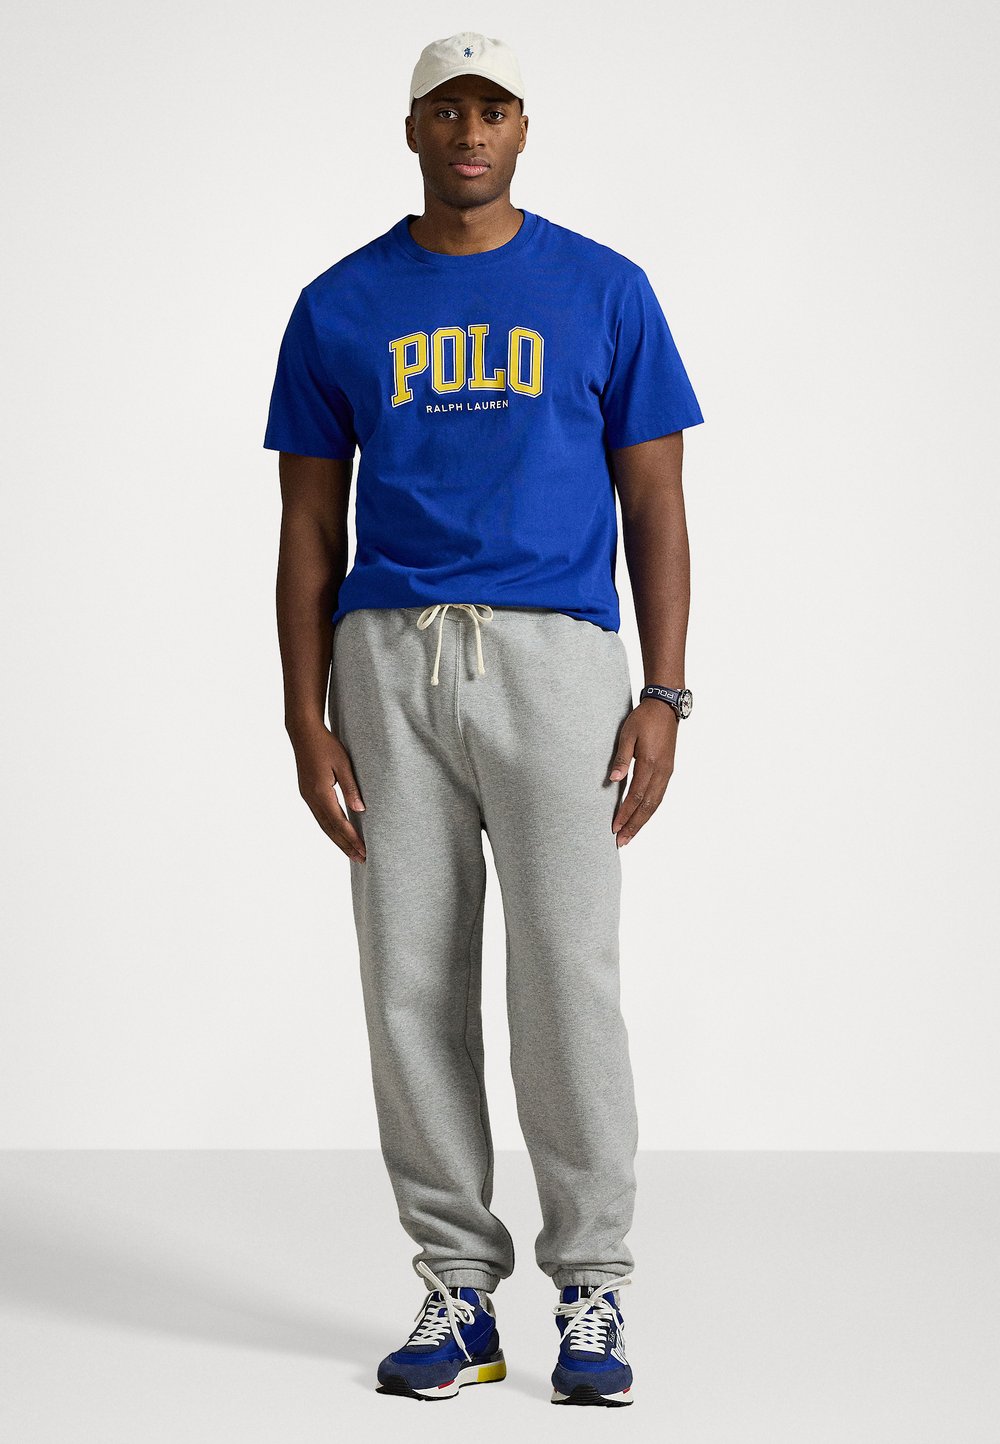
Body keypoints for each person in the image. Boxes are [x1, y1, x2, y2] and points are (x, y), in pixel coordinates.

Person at [263, 30, 703, 1408]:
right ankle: (458, 1289)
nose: (469, 131)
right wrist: (305, 720)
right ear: (411, 129)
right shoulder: (341, 304)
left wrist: (664, 693)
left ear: (523, 127)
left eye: (493, 108)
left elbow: (656, 501)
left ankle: (593, 1287)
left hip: (557, 659)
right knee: (409, 983)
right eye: (445, 109)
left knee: (567, 974)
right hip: (389, 664)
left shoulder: (604, 289)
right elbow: (307, 524)